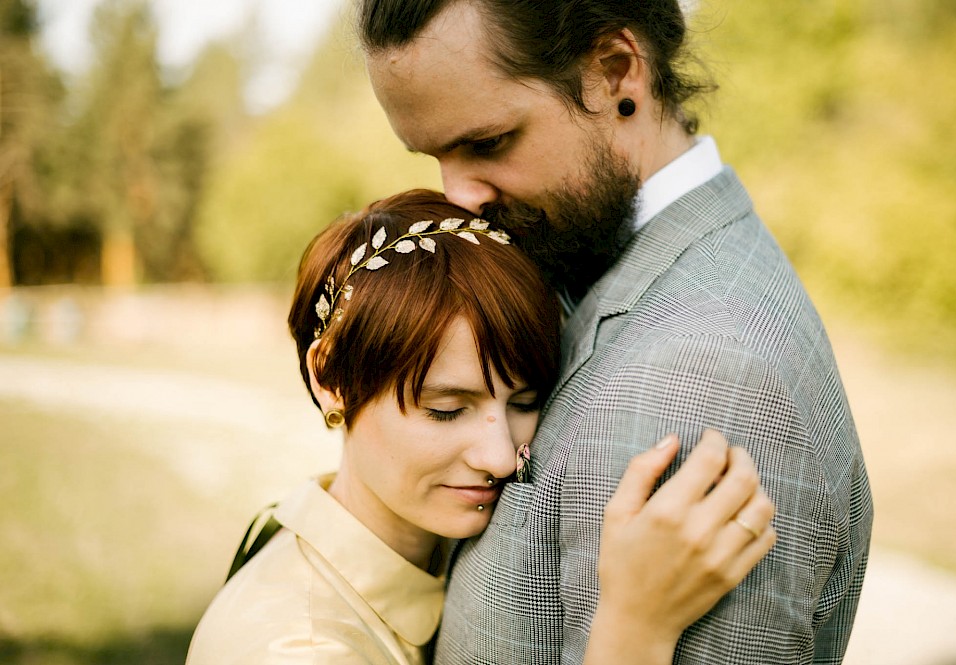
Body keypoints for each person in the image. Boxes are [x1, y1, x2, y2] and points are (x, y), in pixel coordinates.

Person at [356, 1, 874, 663]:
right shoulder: (587, 263)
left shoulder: (702, 372)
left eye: (487, 143)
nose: (459, 197)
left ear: (616, 73)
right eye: (433, 155)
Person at [185, 190, 776, 664]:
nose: (499, 457)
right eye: (446, 409)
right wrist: (636, 628)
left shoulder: (439, 555)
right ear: (331, 380)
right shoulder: (295, 648)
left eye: (525, 401)